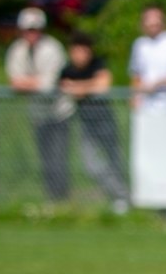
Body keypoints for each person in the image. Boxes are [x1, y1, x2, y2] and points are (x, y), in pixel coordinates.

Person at [56, 32, 131, 211]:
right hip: (86, 125)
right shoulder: (67, 70)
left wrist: (79, 88)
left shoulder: (98, 64)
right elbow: (65, 88)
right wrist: (89, 87)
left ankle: (123, 198)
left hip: (105, 121)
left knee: (116, 161)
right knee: (90, 164)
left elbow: (103, 85)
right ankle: (121, 194)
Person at [5, 8, 73, 201]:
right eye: (28, 29)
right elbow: (15, 83)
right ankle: (51, 197)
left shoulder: (53, 49)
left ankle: (61, 198)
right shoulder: (17, 50)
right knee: (45, 158)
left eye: (35, 29)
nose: (31, 33)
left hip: (59, 113)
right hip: (37, 114)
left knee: (58, 157)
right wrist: (36, 82)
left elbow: (49, 85)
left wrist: (28, 83)